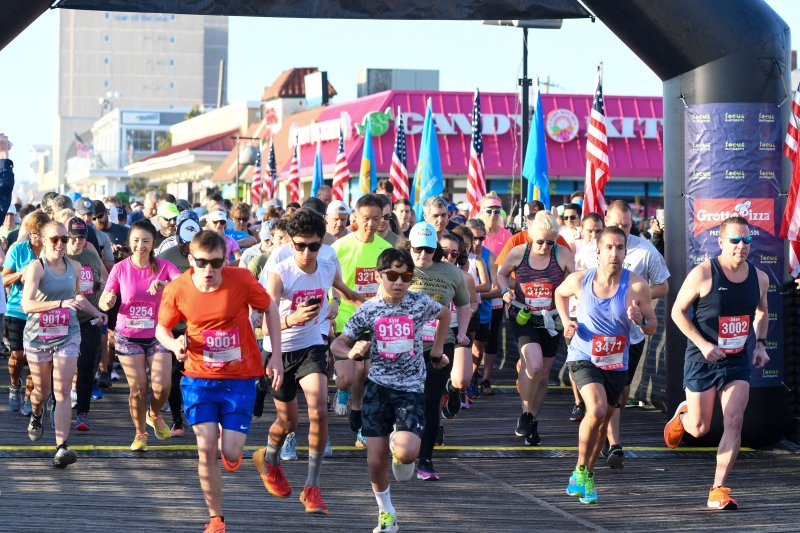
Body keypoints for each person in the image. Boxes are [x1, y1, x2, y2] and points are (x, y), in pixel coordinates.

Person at [157, 229, 282, 533]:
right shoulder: (177, 288)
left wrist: (275, 355)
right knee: (205, 446)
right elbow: (161, 328)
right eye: (201, 263)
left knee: (231, 452)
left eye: (216, 263)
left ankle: (237, 453)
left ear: (225, 259)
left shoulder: (241, 279)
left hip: (239, 378)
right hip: (198, 378)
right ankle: (216, 518)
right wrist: (175, 345)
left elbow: (269, 308)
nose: (209, 270)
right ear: (190, 259)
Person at [331, 248, 450, 533]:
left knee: (408, 452)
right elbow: (337, 344)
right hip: (378, 387)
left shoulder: (420, 303)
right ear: (378, 275)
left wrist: (436, 351)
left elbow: (445, 314)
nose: (399, 282)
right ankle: (386, 512)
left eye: (406, 276)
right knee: (375, 459)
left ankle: (401, 444)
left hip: (410, 388)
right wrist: (352, 352)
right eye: (392, 275)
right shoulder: (369, 309)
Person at [665, 216, 769, 511]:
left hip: (736, 361)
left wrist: (759, 344)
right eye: (735, 240)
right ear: (721, 242)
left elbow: (762, 312)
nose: (742, 246)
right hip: (703, 358)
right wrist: (704, 344)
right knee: (699, 428)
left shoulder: (759, 277)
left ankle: (718, 489)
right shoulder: (703, 274)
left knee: (735, 420)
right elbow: (677, 312)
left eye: (747, 240)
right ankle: (683, 415)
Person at [554, 226, 657, 505]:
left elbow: (652, 326)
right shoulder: (580, 280)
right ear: (598, 250)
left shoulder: (636, 285)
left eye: (620, 248)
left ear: (626, 251)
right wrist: (566, 321)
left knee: (604, 422)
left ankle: (588, 474)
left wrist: (638, 319)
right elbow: (559, 294)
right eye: (609, 247)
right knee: (597, 409)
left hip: (616, 361)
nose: (614, 253)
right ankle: (578, 469)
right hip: (583, 355)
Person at [575, 200, 669, 467]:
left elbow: (664, 285)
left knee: (621, 390)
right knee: (597, 400)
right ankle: (611, 442)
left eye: (626, 227)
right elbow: (571, 286)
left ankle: (608, 436)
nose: (621, 232)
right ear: (606, 221)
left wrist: (637, 298)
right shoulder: (588, 250)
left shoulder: (645, 250)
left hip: (629, 335)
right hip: (592, 334)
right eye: (616, 226)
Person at [256, 209, 338, 515]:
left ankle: (312, 488)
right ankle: (269, 458)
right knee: (289, 422)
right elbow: (266, 322)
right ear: (290, 243)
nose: (306, 252)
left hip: (311, 345)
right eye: (300, 245)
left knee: (318, 410)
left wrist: (339, 303)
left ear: (322, 242)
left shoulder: (328, 259)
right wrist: (290, 321)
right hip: (278, 350)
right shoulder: (280, 267)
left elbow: (338, 289)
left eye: (313, 246)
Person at [21, 220, 107, 467]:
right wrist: (59, 304)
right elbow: (27, 305)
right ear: (44, 241)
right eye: (54, 239)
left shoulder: (76, 267)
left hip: (68, 334)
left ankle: (61, 447)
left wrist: (95, 312)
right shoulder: (36, 268)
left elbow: (77, 296)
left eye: (64, 239)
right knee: (42, 392)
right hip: (39, 337)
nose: (60, 244)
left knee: (62, 391)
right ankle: (37, 412)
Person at [99, 219, 181, 450]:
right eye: (136, 240)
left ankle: (153, 415)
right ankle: (140, 434)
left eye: (146, 241)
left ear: (154, 242)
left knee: (163, 386)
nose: (140, 245)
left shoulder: (164, 266)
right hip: (128, 336)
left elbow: (183, 285)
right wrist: (107, 300)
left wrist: (165, 285)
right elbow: (104, 300)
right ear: (129, 242)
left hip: (158, 334)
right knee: (138, 387)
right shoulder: (120, 268)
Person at [498, 211, 574, 445]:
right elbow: (500, 273)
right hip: (524, 315)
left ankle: (532, 420)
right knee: (534, 363)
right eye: (540, 241)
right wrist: (505, 291)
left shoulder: (562, 254)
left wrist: (569, 301)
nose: (544, 246)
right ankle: (525, 412)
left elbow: (578, 280)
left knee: (542, 375)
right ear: (531, 237)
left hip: (552, 319)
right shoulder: (519, 253)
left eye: (550, 242)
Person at [403, 222, 470, 480]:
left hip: (440, 343)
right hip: (402, 345)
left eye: (429, 250)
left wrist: (462, 331)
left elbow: (464, 304)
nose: (423, 255)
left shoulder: (451, 272)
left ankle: (425, 459)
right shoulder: (400, 268)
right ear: (409, 247)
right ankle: (403, 447)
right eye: (418, 249)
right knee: (407, 399)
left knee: (430, 400)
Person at [331, 194, 392, 447]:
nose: (370, 224)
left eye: (376, 219)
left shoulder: (384, 249)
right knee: (347, 376)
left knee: (366, 372)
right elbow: (329, 283)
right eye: (366, 219)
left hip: (373, 320)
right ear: (355, 217)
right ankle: (342, 390)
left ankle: (359, 417)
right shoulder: (340, 247)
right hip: (346, 319)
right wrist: (333, 306)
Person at [157, 211, 201, 436]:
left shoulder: (204, 251)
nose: (186, 251)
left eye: (190, 246)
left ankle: (195, 414)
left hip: (197, 322)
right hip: (173, 323)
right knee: (174, 374)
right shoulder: (167, 252)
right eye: (184, 244)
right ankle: (176, 419)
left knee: (194, 372)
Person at [4, 210, 49, 415]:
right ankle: (15, 385)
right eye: (34, 234)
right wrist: (22, 273)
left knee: (35, 357)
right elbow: (4, 279)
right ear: (29, 233)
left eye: (42, 234)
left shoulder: (53, 251)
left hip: (41, 310)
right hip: (16, 308)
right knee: (18, 355)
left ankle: (29, 397)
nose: (38, 238)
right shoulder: (18, 250)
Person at [65, 217, 107, 432]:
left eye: (81, 237)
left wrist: (101, 293)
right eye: (73, 238)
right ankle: (56, 405)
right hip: (64, 320)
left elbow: (106, 281)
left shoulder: (91, 255)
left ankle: (83, 412)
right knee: (63, 367)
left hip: (88, 318)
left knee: (86, 365)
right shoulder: (59, 256)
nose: (77, 242)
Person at [569, 212, 604, 423]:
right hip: (577, 311)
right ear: (582, 230)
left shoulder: (607, 249)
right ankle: (578, 402)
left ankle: (600, 402)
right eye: (590, 230)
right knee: (577, 358)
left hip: (601, 314)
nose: (593, 234)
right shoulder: (575, 249)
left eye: (598, 230)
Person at [465, 219, 500, 396]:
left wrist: (472, 295)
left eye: (481, 238)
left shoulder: (490, 257)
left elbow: (497, 290)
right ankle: (464, 383)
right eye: (474, 238)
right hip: (463, 312)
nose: (477, 243)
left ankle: (472, 376)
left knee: (478, 350)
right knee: (463, 348)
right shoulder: (459, 255)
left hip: (483, 312)